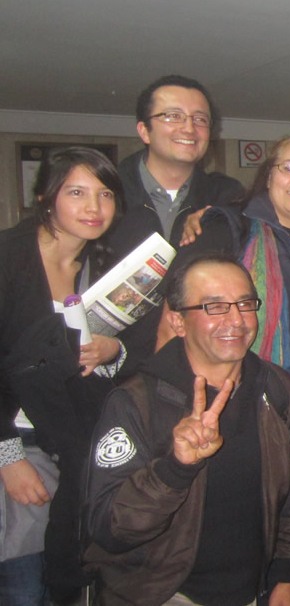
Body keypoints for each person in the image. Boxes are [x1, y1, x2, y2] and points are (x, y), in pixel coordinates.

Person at [84, 252, 290, 605]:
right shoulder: (136, 402)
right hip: (163, 593)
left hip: (251, 590)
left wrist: (286, 576)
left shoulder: (277, 389)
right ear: (178, 322)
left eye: (245, 304)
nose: (236, 320)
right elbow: (109, 528)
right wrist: (175, 469)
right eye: (215, 307)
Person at [180, 133, 290, 489]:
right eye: (289, 168)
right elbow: (180, 317)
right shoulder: (228, 229)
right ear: (268, 174)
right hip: (235, 400)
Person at [0, 147, 123, 604]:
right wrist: (7, 457)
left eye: (105, 194)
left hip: (73, 442)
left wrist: (114, 350)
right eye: (77, 193)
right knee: (22, 582)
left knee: (65, 574)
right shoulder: (9, 256)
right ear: (45, 197)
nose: (94, 207)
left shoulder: (102, 265)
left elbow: (119, 354)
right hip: (16, 438)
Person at [107, 74, 243, 256]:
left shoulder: (227, 197)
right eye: (173, 116)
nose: (189, 128)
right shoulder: (108, 193)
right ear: (145, 131)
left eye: (200, 119)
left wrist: (220, 216)